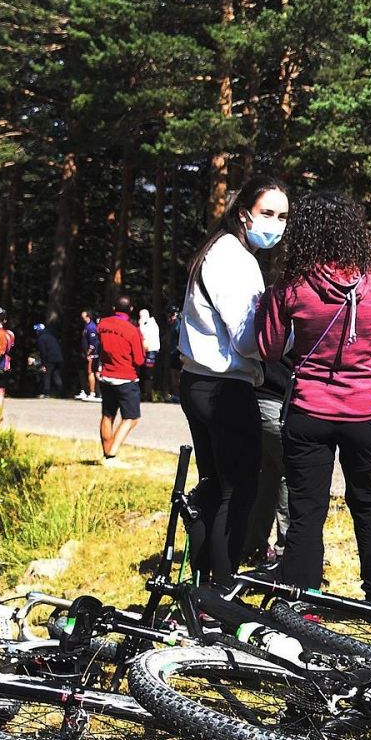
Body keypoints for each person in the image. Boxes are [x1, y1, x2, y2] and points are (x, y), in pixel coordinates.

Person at [256, 191, 371, 604]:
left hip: (309, 409)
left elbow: (268, 349)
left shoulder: (292, 285)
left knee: (307, 510)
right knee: (370, 501)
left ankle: (303, 599)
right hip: (365, 410)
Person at [178, 174, 289, 584]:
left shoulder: (226, 253)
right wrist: (288, 338)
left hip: (203, 383)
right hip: (225, 386)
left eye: (282, 216)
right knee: (237, 489)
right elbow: (247, 339)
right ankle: (220, 589)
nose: (275, 224)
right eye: (267, 213)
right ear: (244, 213)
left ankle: (204, 584)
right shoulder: (233, 259)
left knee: (213, 486)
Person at [243, 358, 293, 564]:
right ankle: (286, 551)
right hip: (273, 400)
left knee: (269, 477)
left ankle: (254, 546)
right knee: (292, 476)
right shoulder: (284, 326)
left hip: (260, 400)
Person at [95, 297, 145, 467]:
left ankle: (105, 452)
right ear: (130, 309)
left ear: (114, 307)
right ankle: (111, 454)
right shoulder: (132, 330)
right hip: (125, 377)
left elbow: (98, 347)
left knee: (107, 415)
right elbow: (139, 360)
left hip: (106, 375)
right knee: (131, 418)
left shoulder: (102, 325)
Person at [32, 323, 64, 398]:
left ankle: (46, 392)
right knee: (56, 375)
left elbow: (43, 352)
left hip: (50, 359)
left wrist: (43, 364)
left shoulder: (41, 338)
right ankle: (61, 392)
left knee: (46, 375)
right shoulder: (51, 336)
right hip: (58, 358)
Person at [76, 310, 100, 401]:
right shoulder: (86, 326)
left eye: (84, 316)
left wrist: (89, 353)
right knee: (85, 372)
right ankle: (85, 391)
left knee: (91, 372)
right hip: (85, 353)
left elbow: (93, 342)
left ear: (88, 316)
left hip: (92, 355)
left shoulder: (91, 327)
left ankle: (93, 392)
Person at [138, 308, 161, 397]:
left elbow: (144, 336)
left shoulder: (149, 324)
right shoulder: (148, 323)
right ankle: (146, 392)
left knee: (148, 373)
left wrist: (141, 324)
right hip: (147, 350)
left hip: (150, 350)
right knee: (145, 373)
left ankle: (148, 394)